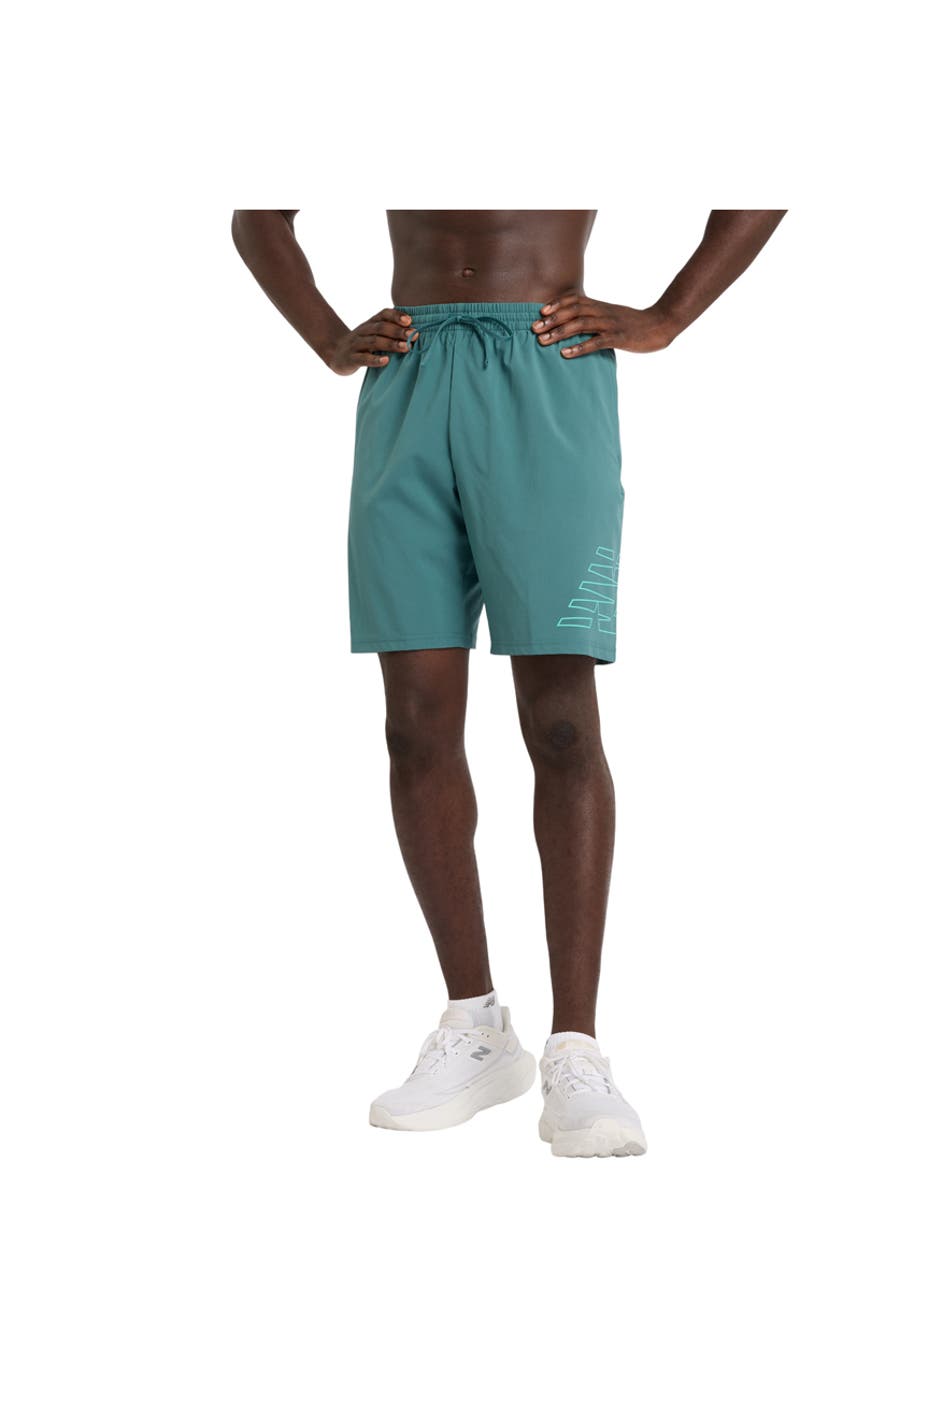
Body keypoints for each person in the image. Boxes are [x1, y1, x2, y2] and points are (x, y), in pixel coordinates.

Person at [232, 208, 786, 1157]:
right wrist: (327, 336)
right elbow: (258, 216)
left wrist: (668, 316)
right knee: (414, 723)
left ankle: (577, 1049)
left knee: (562, 721)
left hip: (547, 362)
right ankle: (475, 1024)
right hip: (409, 373)